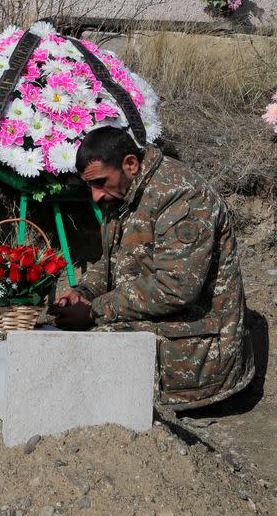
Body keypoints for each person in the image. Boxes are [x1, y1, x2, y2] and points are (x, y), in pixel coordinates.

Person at [53, 126, 254, 411]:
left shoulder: (183, 198)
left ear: (130, 164)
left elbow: (175, 288)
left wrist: (94, 311)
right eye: (91, 186)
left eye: (100, 182)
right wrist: (84, 292)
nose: (96, 196)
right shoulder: (123, 190)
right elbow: (113, 260)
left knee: (93, 349)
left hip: (200, 347)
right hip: (163, 320)